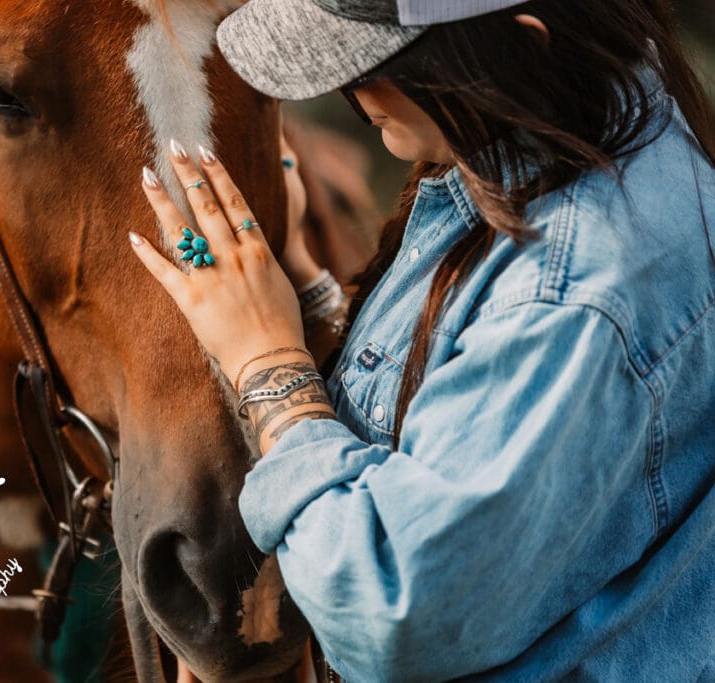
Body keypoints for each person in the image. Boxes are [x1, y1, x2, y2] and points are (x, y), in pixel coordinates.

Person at [126, 0, 715, 679]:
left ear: (522, 51)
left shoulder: (578, 291)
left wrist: (269, 364)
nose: (352, 94)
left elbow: (390, 607)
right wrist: (305, 290)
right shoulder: (566, 128)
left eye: (374, 66)